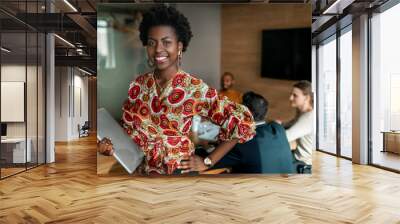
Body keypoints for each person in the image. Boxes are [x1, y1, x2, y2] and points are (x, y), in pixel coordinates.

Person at [98, 5, 256, 175]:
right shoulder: (138, 85)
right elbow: (128, 131)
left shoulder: (194, 88)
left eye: (166, 42)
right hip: (143, 171)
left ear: (179, 46)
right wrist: (110, 146)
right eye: (152, 42)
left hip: (179, 173)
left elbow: (242, 123)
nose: (158, 49)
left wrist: (208, 161)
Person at [212, 92, 295, 174]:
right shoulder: (278, 128)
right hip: (287, 184)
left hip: (258, 186)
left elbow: (211, 162)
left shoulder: (243, 140)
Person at [281, 80, 314, 171]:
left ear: (307, 98)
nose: (290, 98)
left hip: (304, 164)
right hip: (298, 158)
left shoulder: (309, 117)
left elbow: (286, 137)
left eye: (295, 95)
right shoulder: (303, 113)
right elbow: (291, 124)